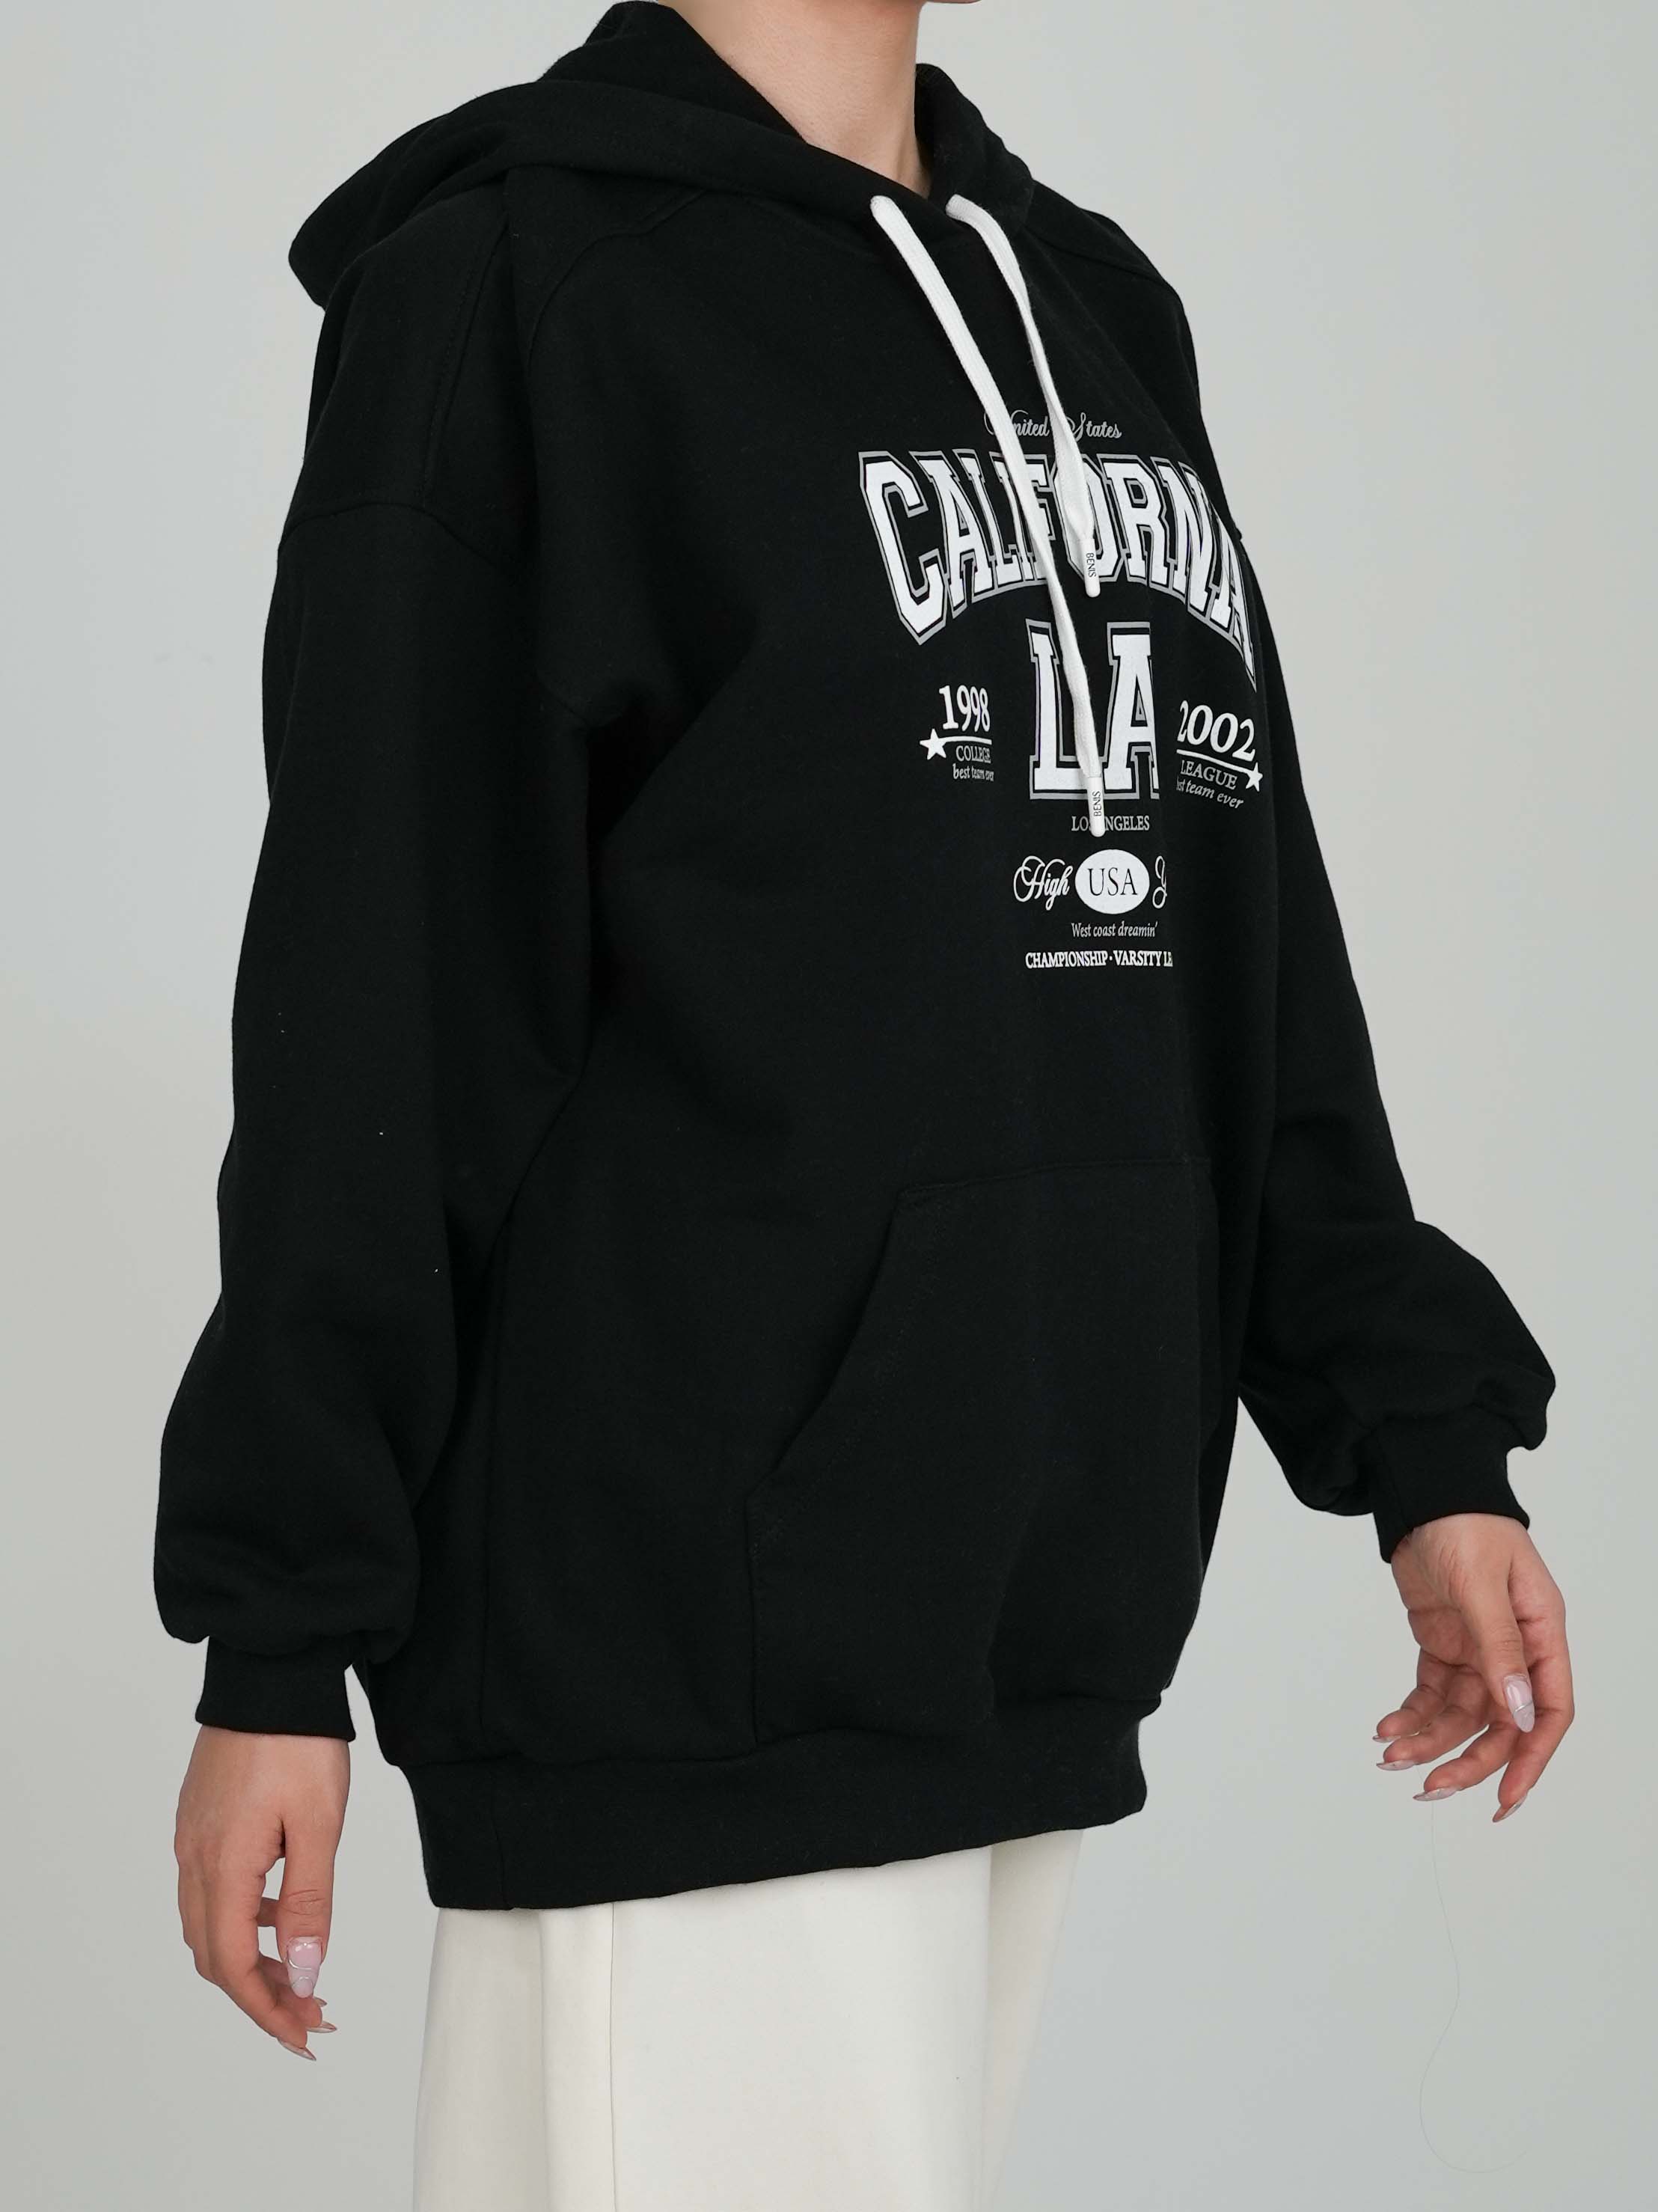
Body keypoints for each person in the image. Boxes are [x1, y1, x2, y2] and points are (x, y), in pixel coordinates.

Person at [156, 1, 1574, 2204]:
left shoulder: (1087, 310)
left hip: (1024, 1604)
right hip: (681, 1649)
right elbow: (381, 999)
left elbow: (1241, 932)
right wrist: (283, 1628)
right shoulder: (515, 294)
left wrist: (1420, 1438)